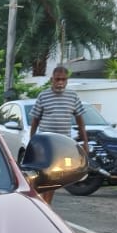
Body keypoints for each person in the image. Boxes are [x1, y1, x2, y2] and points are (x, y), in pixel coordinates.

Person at [28, 65, 88, 206]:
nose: (60, 82)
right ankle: (40, 202)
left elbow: (80, 121)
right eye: (57, 79)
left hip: (63, 143)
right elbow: (35, 120)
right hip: (45, 143)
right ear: (52, 80)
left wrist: (85, 142)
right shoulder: (43, 96)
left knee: (56, 176)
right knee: (43, 174)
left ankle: (47, 204)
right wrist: (32, 141)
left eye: (63, 79)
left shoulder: (73, 97)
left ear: (67, 81)